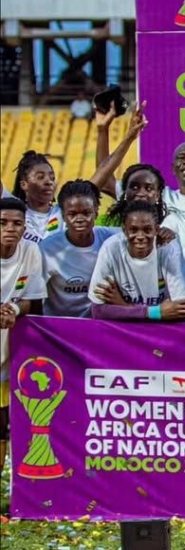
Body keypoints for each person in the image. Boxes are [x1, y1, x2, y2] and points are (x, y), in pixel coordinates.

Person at [1, 198, 47, 475]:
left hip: (9, 350)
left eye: (17, 223)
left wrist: (14, 309)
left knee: (4, 424)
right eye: (3, 223)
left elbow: (34, 300)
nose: (10, 228)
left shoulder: (31, 251)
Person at [88, 200, 185, 322]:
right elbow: (98, 311)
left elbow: (183, 310)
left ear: (156, 229)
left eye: (147, 230)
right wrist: (155, 312)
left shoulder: (169, 249)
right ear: (124, 230)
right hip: (123, 328)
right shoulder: (110, 248)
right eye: (133, 230)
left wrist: (124, 306)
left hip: (160, 329)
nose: (140, 236)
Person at [40, 180, 120, 317]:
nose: (80, 219)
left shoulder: (111, 238)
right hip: (57, 324)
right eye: (72, 214)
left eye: (86, 213)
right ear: (63, 216)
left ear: (96, 211)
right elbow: (34, 295)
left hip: (97, 322)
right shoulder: (47, 249)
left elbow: (139, 233)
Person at [11, 150, 62, 243]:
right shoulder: (12, 214)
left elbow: (89, 188)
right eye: (40, 177)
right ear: (24, 184)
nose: (49, 182)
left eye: (52, 178)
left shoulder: (64, 213)